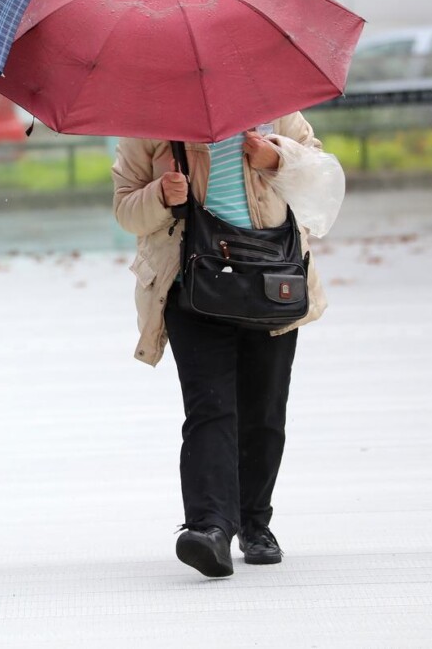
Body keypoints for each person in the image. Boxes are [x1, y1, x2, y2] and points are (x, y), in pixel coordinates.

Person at [111, 114, 329, 578]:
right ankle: (210, 529)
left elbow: (320, 179)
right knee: (210, 409)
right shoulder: (149, 120)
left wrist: (277, 157)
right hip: (192, 285)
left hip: (271, 279)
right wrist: (159, 197)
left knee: (265, 412)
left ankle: (255, 524)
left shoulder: (278, 107)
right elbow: (125, 208)